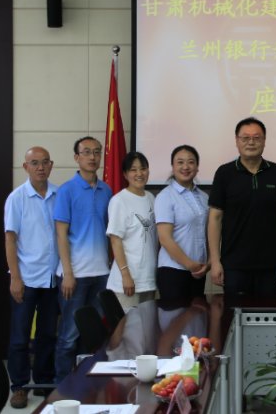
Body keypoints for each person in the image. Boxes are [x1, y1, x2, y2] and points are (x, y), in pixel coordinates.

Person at [208, 117, 276, 298]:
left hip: (271, 265)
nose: (251, 142)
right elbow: (215, 219)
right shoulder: (224, 173)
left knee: (268, 313)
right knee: (234, 313)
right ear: (236, 141)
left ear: (264, 141)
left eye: (256, 137)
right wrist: (215, 261)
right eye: (245, 138)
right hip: (234, 265)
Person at [3, 146, 59, 408]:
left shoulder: (59, 195)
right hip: (25, 278)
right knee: (20, 337)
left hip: (52, 278)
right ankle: (19, 386)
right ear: (25, 167)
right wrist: (15, 277)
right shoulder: (17, 198)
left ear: (51, 165)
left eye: (45, 162)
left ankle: (43, 381)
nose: (40, 167)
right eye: (34, 163)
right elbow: (10, 239)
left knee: (47, 334)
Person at [53, 136, 112, 381]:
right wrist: (68, 273)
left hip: (101, 274)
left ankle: (84, 385)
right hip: (74, 276)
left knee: (92, 335)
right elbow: (61, 234)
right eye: (86, 152)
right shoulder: (66, 190)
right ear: (76, 157)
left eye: (97, 152)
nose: (92, 157)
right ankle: (61, 387)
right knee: (69, 336)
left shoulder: (107, 190)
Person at [155, 145, 210, 300]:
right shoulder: (165, 196)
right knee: (176, 315)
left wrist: (209, 263)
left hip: (199, 271)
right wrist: (189, 264)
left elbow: (208, 234)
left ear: (197, 167)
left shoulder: (204, 197)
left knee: (198, 314)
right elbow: (165, 238)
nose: (185, 167)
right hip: (173, 271)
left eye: (191, 162)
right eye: (180, 162)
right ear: (172, 167)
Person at [105, 151, 158, 310]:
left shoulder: (151, 198)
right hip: (128, 281)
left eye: (143, 169)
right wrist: (125, 275)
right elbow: (115, 240)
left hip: (148, 279)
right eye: (133, 170)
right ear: (125, 174)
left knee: (148, 323)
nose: (139, 174)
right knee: (130, 325)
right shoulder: (119, 201)